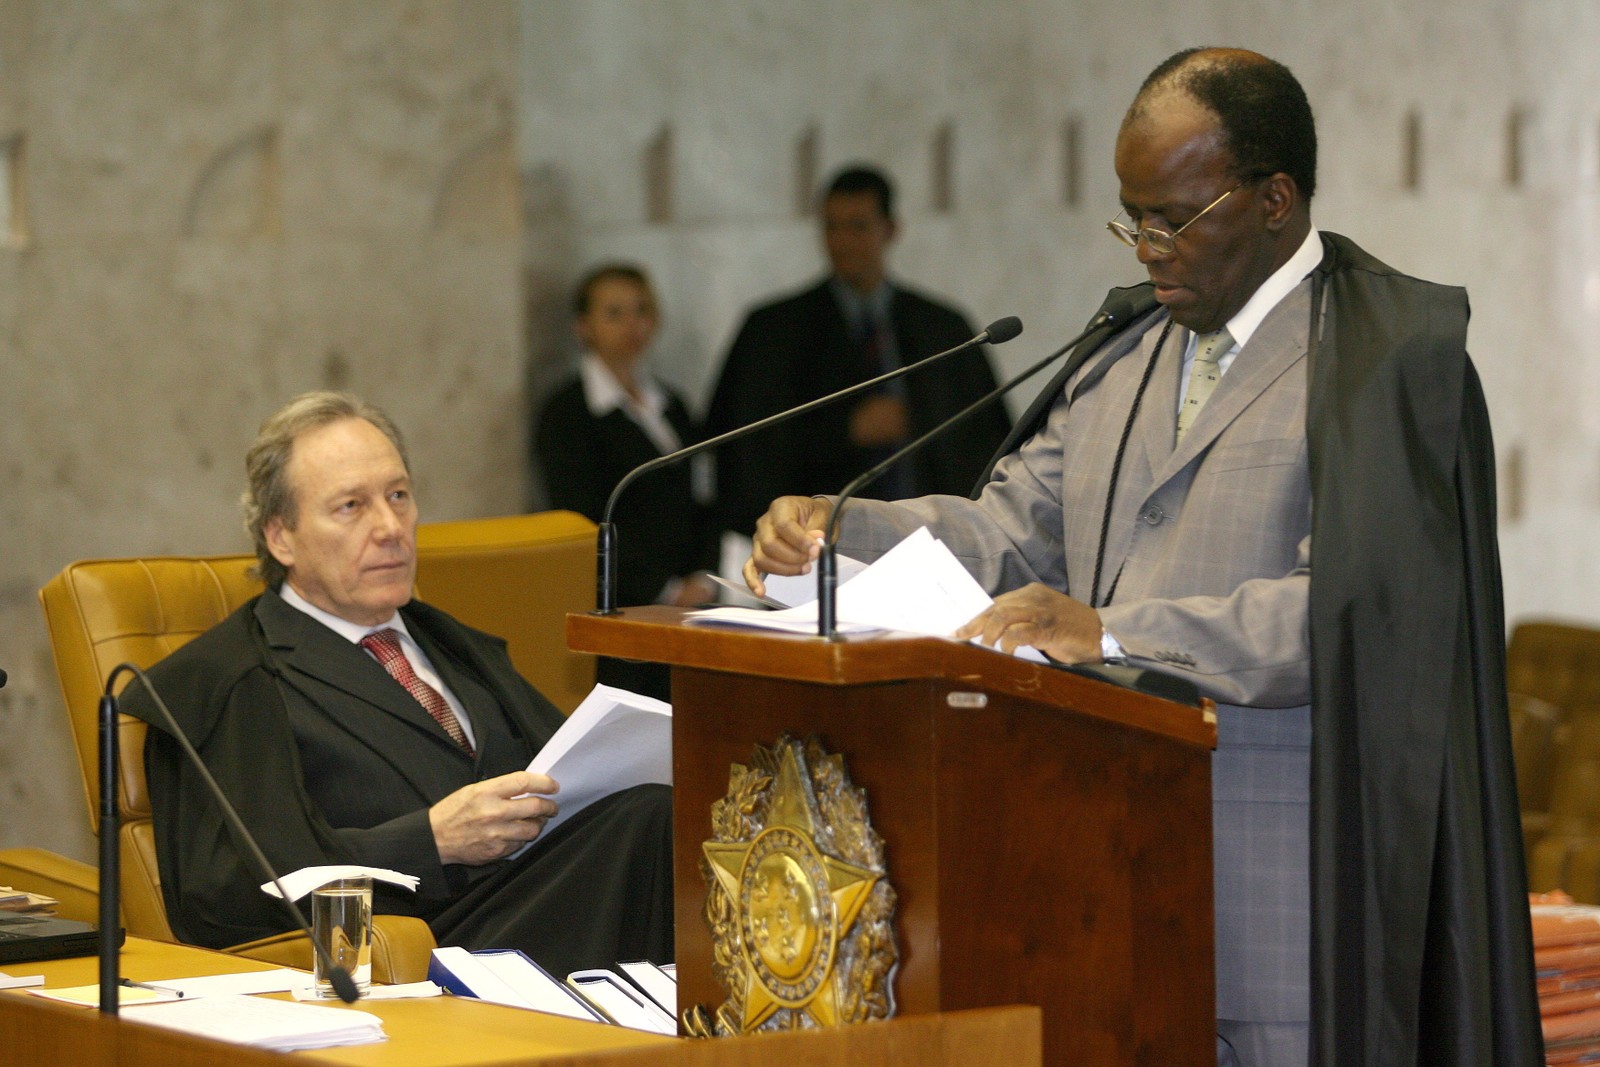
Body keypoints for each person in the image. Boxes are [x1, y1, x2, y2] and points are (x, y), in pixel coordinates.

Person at [744, 49, 1539, 1067]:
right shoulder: (1122, 352)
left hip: (1285, 892)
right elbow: (1008, 532)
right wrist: (839, 522)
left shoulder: (1381, 361)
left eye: (1173, 217)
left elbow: (1353, 611)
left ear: (1273, 199)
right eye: (1132, 217)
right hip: (1098, 876)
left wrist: (1114, 628)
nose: (1149, 247)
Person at [120, 392, 674, 978]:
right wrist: (429, 841)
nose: (390, 527)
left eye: (399, 496)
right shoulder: (232, 678)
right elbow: (225, 897)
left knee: (674, 811)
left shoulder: (455, 645)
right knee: (645, 823)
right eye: (351, 507)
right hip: (417, 953)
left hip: (544, 910)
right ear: (281, 537)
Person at [705, 164, 1012, 535]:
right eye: (832, 227)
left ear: (891, 229)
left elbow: (987, 440)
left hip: (933, 539)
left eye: (859, 226)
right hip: (818, 541)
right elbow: (742, 449)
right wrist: (844, 432)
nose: (843, 241)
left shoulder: (944, 327)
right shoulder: (771, 330)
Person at [534, 263, 718, 611]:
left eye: (642, 310)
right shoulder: (568, 412)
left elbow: (703, 493)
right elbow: (583, 519)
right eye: (614, 313)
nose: (632, 325)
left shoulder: (672, 402)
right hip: (622, 600)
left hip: (694, 594)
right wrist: (663, 589)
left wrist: (704, 576)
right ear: (583, 327)